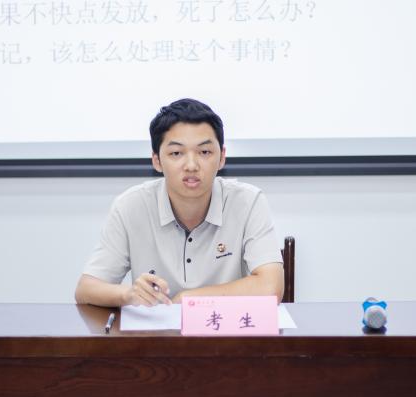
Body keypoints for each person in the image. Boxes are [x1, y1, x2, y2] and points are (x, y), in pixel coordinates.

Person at [75, 98, 283, 307]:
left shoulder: (248, 202)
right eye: (176, 153)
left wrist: (186, 299)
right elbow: (86, 289)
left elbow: (270, 287)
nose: (191, 165)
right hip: (156, 329)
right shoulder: (130, 206)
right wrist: (128, 294)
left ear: (222, 157)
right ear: (157, 161)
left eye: (204, 152)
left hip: (223, 327)